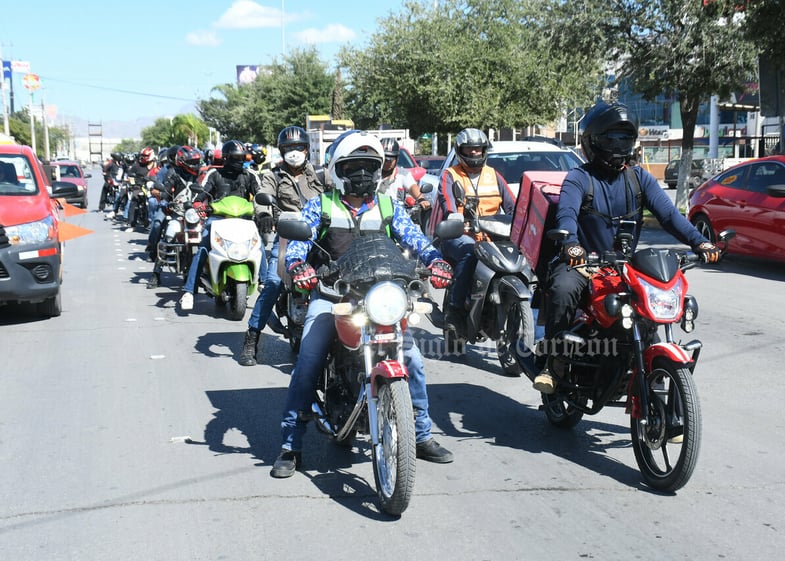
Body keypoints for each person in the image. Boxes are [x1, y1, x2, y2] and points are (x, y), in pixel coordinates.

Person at [269, 131, 455, 478]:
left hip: (382, 298)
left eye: (370, 167)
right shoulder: (321, 205)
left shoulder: (388, 206)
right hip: (333, 296)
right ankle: (290, 444)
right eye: (353, 166)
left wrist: (436, 260)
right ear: (337, 170)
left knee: (412, 358)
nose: (363, 175)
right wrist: (298, 266)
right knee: (308, 359)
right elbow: (297, 244)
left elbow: (416, 239)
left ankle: (422, 434)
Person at [532, 101, 721, 394]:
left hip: (623, 266)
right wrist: (570, 243)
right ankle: (554, 362)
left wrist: (700, 241)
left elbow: (669, 216)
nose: (618, 145)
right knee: (562, 289)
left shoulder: (639, 178)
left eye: (624, 139)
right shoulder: (580, 178)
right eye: (611, 139)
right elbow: (566, 214)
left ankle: (654, 373)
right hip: (583, 263)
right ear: (593, 142)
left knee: (651, 303)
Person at [238, 126, 325, 366]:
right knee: (274, 282)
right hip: (289, 235)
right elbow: (263, 196)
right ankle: (252, 338)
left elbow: (338, 192)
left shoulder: (320, 174)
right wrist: (264, 214)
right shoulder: (273, 175)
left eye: (298, 147)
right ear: (281, 151)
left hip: (321, 238)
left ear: (307, 149)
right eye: (288, 148)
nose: (294, 152)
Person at [429, 127, 516, 334]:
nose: (475, 153)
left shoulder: (494, 175)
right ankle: (455, 310)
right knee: (469, 253)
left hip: (493, 238)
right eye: (469, 149)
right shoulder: (450, 175)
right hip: (460, 235)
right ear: (460, 151)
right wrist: (456, 219)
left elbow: (514, 207)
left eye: (478, 149)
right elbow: (448, 204)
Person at [179, 140, 261, 312]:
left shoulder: (250, 175)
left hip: (244, 220)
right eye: (236, 157)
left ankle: (264, 282)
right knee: (203, 248)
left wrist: (265, 212)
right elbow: (200, 195)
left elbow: (261, 195)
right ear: (226, 158)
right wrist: (198, 205)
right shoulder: (214, 174)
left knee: (258, 246)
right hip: (217, 219)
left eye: (242, 157)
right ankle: (189, 291)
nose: (240, 161)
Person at [145, 146, 203, 289]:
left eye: (197, 161)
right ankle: (156, 273)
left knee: (208, 241)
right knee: (168, 238)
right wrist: (161, 193)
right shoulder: (173, 173)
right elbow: (166, 189)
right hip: (178, 214)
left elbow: (209, 189)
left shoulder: (201, 175)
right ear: (183, 161)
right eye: (192, 161)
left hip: (198, 215)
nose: (196, 164)